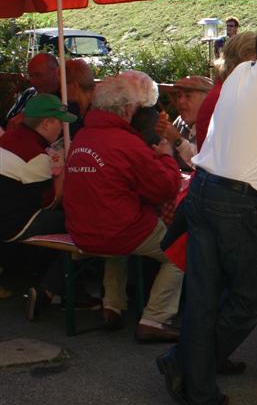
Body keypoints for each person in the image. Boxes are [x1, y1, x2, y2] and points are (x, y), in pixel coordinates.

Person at [157, 17, 257, 405]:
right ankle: (188, 365)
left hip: (203, 190)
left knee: (205, 296)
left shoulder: (241, 70)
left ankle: (198, 379)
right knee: (251, 295)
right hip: (235, 201)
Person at [63, 71, 186, 342]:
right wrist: (166, 158)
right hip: (116, 231)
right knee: (180, 250)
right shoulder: (127, 143)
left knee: (118, 229)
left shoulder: (82, 136)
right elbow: (164, 188)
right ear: (129, 109)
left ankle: (112, 306)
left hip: (82, 230)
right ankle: (155, 318)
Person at [0, 95, 82, 318]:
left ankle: (55, 288)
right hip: (15, 224)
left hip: (6, 216)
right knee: (85, 228)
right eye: (59, 122)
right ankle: (49, 290)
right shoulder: (34, 154)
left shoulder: (8, 139)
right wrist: (65, 169)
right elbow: (51, 202)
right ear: (46, 123)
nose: (62, 128)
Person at [195, 31, 257, 151]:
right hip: (216, 168)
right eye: (256, 64)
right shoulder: (225, 96)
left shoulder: (228, 89)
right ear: (240, 63)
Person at [158, 75, 214, 172]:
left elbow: (205, 165)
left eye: (188, 96)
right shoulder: (180, 121)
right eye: (179, 96)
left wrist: (177, 140)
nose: (180, 101)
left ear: (207, 100)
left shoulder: (215, 125)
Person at [3, 53, 61, 129]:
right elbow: (6, 122)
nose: (32, 81)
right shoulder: (29, 94)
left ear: (56, 73)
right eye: (31, 76)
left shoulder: (66, 99)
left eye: (38, 75)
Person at [64, 59, 96, 140]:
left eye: (63, 85)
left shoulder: (100, 109)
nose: (61, 90)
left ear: (74, 86)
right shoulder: (70, 109)